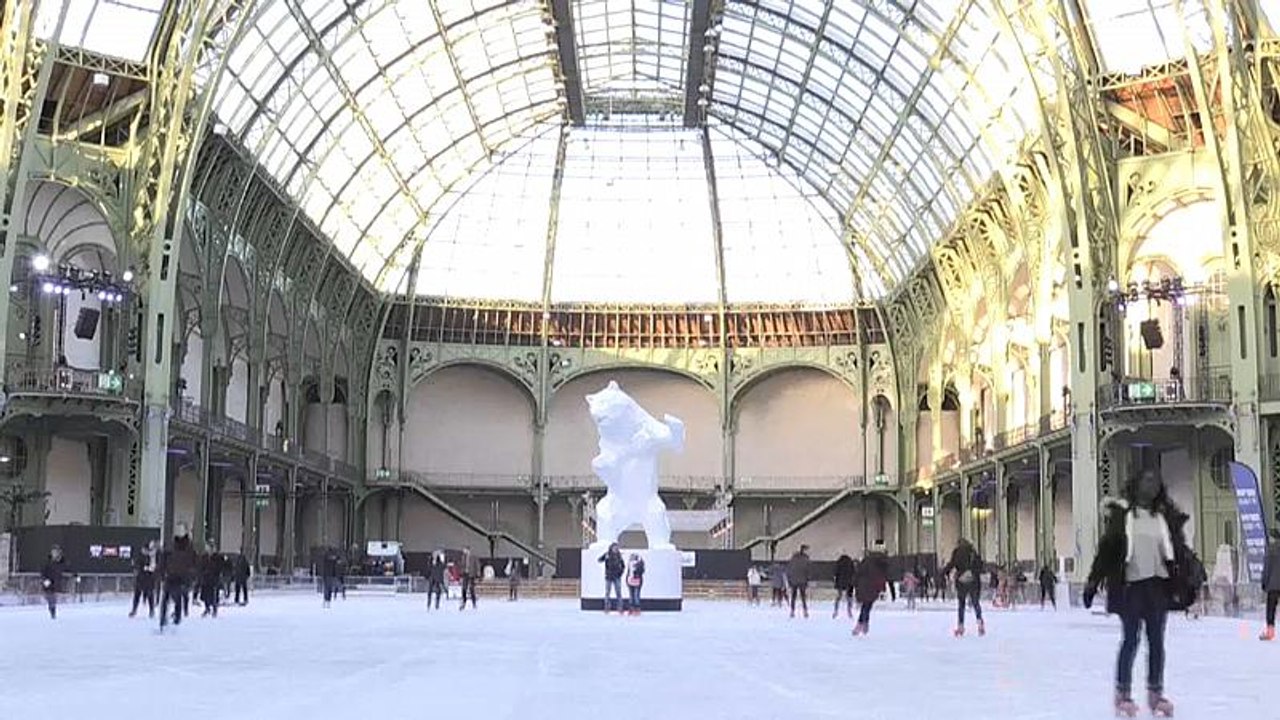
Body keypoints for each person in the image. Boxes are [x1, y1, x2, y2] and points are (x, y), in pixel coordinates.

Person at [1084, 468, 1194, 718]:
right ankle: (1122, 693)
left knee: (1157, 642)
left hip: (1157, 586)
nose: (1151, 485)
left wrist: (1185, 583)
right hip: (1131, 587)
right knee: (1131, 640)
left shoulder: (1164, 517)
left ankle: (1156, 693)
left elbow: (1178, 552)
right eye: (1146, 480)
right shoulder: (1124, 516)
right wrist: (1093, 582)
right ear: (1136, 485)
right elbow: (1107, 551)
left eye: (1155, 481)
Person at [942, 538, 984, 637]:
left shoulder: (957, 552)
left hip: (961, 580)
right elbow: (980, 566)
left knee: (961, 604)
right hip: (973, 580)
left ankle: (960, 626)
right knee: (975, 603)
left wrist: (944, 572)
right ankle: (980, 623)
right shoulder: (973, 552)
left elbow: (952, 564)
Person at [159, 524, 196, 630]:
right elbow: (163, 562)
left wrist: (190, 578)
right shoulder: (174, 547)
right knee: (171, 598)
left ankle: (171, 619)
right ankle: (167, 620)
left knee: (173, 598)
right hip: (173, 577)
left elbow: (193, 564)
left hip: (177, 577)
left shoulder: (185, 548)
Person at [853, 542, 889, 636]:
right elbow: (883, 576)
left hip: (864, 585)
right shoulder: (882, 563)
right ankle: (864, 624)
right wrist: (882, 588)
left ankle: (862, 624)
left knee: (865, 606)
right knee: (867, 606)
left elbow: (858, 573)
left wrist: (855, 584)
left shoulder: (866, 561)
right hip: (874, 587)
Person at [130, 540, 159, 618]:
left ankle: (151, 610)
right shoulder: (140, 555)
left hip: (149, 578)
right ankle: (134, 609)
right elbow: (137, 564)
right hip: (141, 577)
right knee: (137, 594)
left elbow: (155, 566)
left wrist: (151, 569)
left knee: (150, 595)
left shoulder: (153, 556)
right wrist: (141, 568)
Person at [1261, 529, 1280, 641]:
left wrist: (1264, 582)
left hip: (1273, 585)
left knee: (1271, 609)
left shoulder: (1270, 549)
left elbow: (1267, 568)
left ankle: (1270, 632)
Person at [598, 542, 625, 614]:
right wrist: (604, 557)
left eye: (617, 548)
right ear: (611, 548)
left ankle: (620, 608)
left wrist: (620, 573)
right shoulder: (607, 554)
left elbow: (623, 566)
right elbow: (599, 560)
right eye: (614, 548)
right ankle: (607, 608)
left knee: (618, 592)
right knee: (607, 593)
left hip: (617, 576)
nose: (616, 549)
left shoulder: (619, 556)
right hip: (608, 576)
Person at [40, 546, 65, 620]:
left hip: (56, 584)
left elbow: (67, 569)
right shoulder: (47, 562)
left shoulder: (60, 563)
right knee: (51, 597)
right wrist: (45, 580)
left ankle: (52, 610)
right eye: (54, 552)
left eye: (56, 552)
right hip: (48, 584)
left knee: (53, 598)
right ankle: (52, 611)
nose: (55, 553)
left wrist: (75, 575)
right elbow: (43, 572)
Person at [786, 544, 811, 619]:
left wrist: (789, 579)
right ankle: (805, 611)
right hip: (802, 580)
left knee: (793, 596)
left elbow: (789, 569)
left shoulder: (793, 558)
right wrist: (808, 579)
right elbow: (808, 570)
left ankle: (792, 611)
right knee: (803, 596)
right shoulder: (806, 559)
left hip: (794, 580)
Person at [198, 550, 223, 618]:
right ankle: (209, 609)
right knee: (208, 596)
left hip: (210, 581)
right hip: (208, 581)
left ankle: (212, 609)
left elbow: (215, 571)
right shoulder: (206, 562)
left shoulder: (212, 562)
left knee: (211, 596)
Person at [832, 552, 856, 619]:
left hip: (840, 581)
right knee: (849, 598)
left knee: (839, 596)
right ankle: (849, 611)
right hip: (848, 582)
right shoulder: (850, 563)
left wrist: (836, 581)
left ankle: (835, 611)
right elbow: (853, 572)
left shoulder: (839, 563)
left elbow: (835, 572)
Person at [459, 545, 480, 610]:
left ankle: (474, 603)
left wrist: (478, 574)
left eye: (465, 550)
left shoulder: (473, 557)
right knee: (464, 589)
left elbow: (477, 565)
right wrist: (461, 573)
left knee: (471, 589)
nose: (464, 551)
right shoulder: (463, 557)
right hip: (465, 574)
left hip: (471, 575)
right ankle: (463, 603)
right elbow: (461, 566)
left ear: (468, 550)